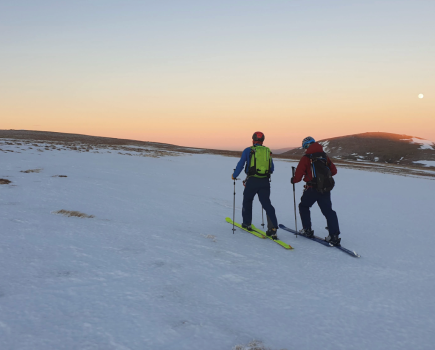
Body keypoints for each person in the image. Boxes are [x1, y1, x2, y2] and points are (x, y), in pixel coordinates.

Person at [290, 136, 341, 245]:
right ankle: (334, 236)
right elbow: (334, 171)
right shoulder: (324, 157)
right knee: (328, 211)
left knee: (303, 206)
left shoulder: (306, 158)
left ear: (307, 146)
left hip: (312, 189)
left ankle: (307, 230)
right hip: (325, 189)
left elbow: (298, 176)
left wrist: (293, 180)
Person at [232, 132, 279, 239]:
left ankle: (247, 223)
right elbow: (271, 168)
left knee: (247, 201)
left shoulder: (248, 150)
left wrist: (234, 175)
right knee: (267, 204)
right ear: (263, 141)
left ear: (253, 140)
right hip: (265, 181)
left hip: (252, 181)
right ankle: (273, 228)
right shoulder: (267, 151)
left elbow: (241, 164)